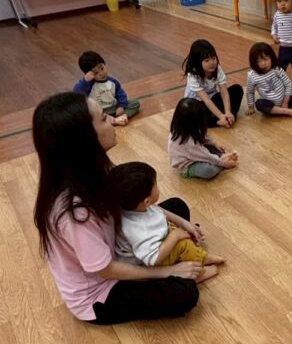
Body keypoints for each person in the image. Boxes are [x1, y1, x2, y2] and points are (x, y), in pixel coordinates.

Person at [32, 92, 202, 324]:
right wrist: (167, 272)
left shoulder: (94, 168)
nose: (112, 121)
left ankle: (165, 255)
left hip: (119, 244)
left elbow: (132, 205)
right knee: (185, 293)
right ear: (83, 139)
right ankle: (168, 262)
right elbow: (105, 270)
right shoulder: (74, 212)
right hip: (100, 291)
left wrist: (182, 223)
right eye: (104, 118)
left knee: (176, 207)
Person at [110, 162, 224, 282]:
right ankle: (199, 274)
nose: (158, 187)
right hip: (147, 264)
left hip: (154, 244)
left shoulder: (135, 207)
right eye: (156, 185)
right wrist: (175, 236)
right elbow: (154, 259)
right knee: (182, 244)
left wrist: (184, 224)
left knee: (177, 221)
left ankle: (201, 257)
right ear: (146, 201)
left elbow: (159, 211)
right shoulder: (138, 230)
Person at [246, 42, 292, 125]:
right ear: (254, 63)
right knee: (259, 104)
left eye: (265, 59)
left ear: (271, 57)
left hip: (285, 98)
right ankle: (290, 112)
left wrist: (286, 102)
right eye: (259, 61)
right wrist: (251, 107)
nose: (263, 63)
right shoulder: (252, 76)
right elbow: (250, 92)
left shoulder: (276, 69)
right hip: (271, 105)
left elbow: (288, 83)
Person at [169, 98, 239, 179]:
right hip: (187, 165)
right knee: (209, 170)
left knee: (213, 149)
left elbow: (201, 137)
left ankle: (219, 158)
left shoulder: (180, 126)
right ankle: (220, 159)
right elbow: (205, 155)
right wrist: (223, 163)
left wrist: (214, 143)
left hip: (195, 152)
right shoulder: (189, 143)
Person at [183, 39, 243, 128]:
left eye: (213, 58)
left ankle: (229, 118)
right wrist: (220, 116)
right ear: (197, 63)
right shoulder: (193, 75)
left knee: (237, 89)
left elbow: (224, 93)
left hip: (212, 99)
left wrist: (228, 112)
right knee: (192, 114)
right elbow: (206, 100)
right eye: (207, 60)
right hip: (198, 103)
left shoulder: (217, 69)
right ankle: (217, 122)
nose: (212, 62)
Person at [73, 50, 140, 126]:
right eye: (96, 72)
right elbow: (77, 95)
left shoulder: (113, 82)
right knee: (86, 116)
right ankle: (114, 120)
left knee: (135, 103)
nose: (101, 73)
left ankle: (123, 117)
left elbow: (121, 94)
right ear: (89, 74)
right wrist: (85, 81)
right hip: (99, 112)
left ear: (104, 64)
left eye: (102, 68)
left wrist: (121, 106)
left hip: (113, 108)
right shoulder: (88, 84)